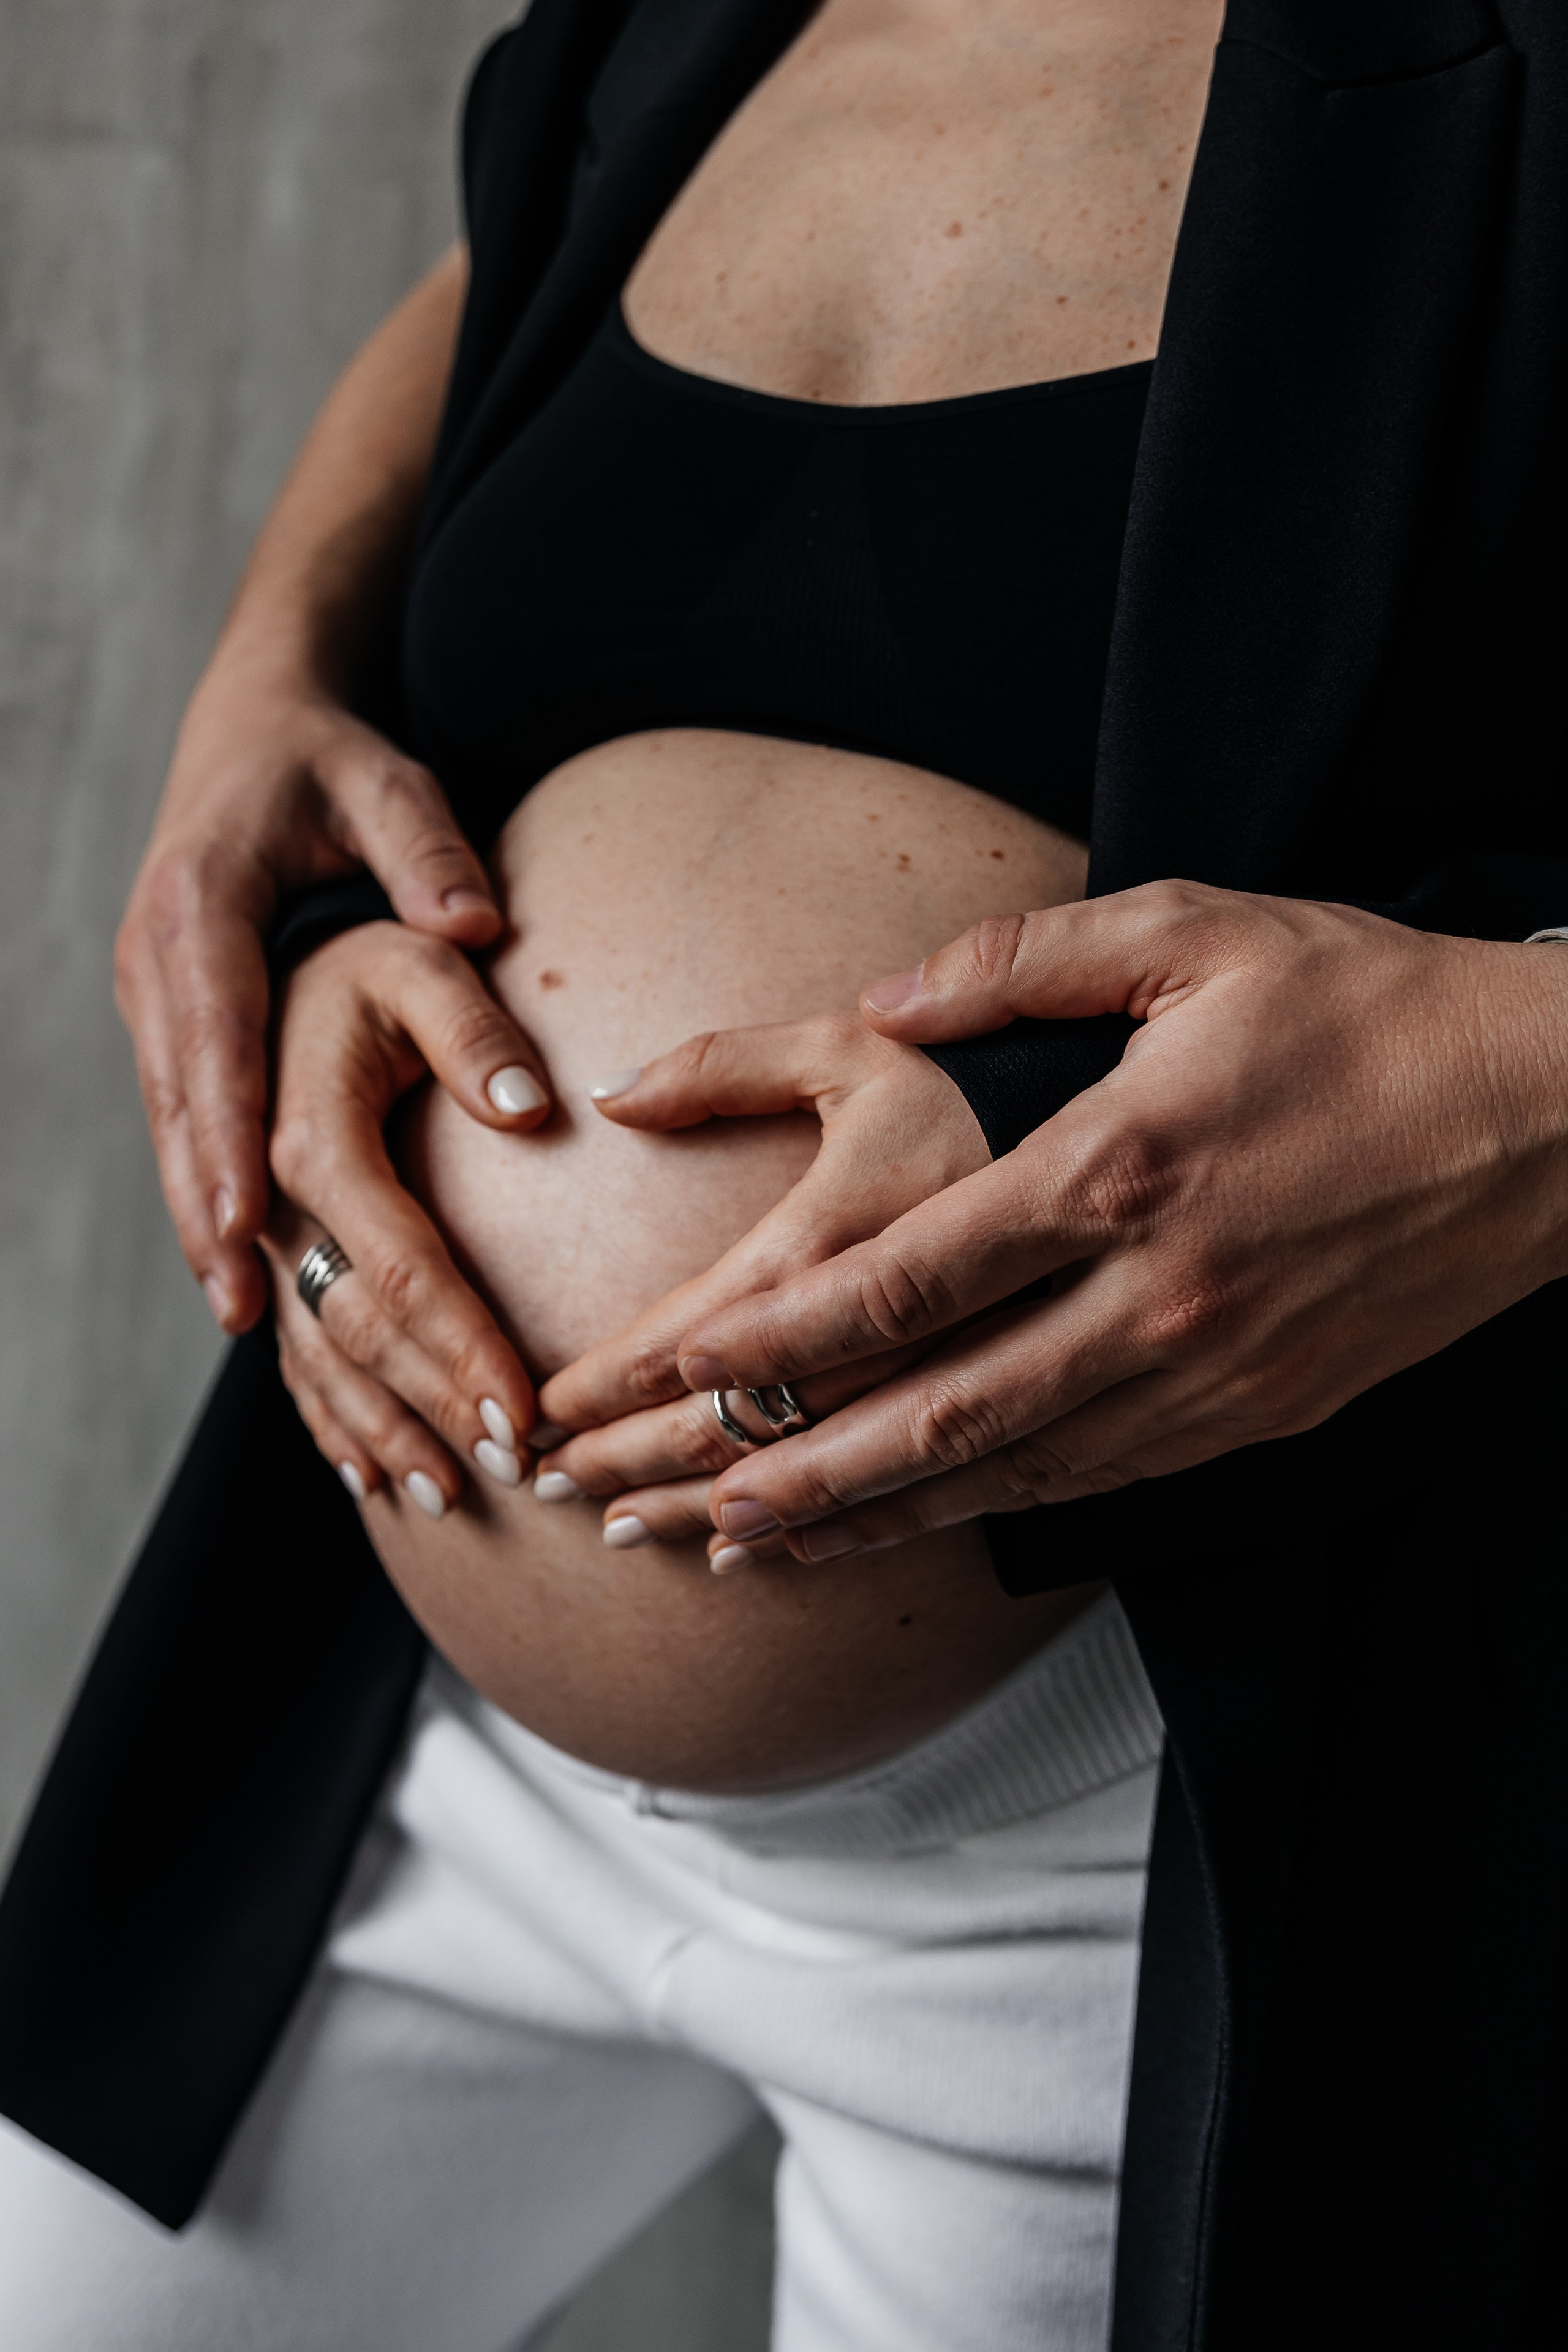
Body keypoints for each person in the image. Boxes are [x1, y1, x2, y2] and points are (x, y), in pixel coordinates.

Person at [2, 0, 1567, 2345]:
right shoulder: (685, 23)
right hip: (399, 1733)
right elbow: (481, 292)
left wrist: (1540, 1081)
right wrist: (270, 662)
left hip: (1151, 1846)